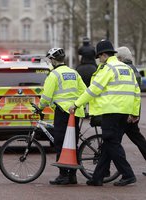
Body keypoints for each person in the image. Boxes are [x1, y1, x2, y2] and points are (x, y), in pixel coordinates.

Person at [69, 40, 140, 186]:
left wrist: (76, 104)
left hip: (111, 110)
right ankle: (97, 177)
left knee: (111, 143)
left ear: (104, 55)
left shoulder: (108, 69)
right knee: (109, 144)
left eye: (99, 57)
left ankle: (128, 174)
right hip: (124, 111)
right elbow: (136, 92)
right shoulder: (126, 68)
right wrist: (133, 113)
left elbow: (94, 89)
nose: (99, 60)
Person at [38, 48, 87, 185]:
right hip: (74, 112)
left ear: (53, 60)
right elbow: (84, 91)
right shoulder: (74, 72)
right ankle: (72, 176)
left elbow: (46, 97)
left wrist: (40, 107)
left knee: (60, 143)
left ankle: (63, 175)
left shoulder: (54, 75)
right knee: (72, 143)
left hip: (62, 112)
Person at [116, 46, 146, 175]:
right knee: (137, 139)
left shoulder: (126, 70)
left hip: (127, 112)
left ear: (120, 58)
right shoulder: (135, 71)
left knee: (112, 141)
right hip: (133, 110)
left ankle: (105, 171)